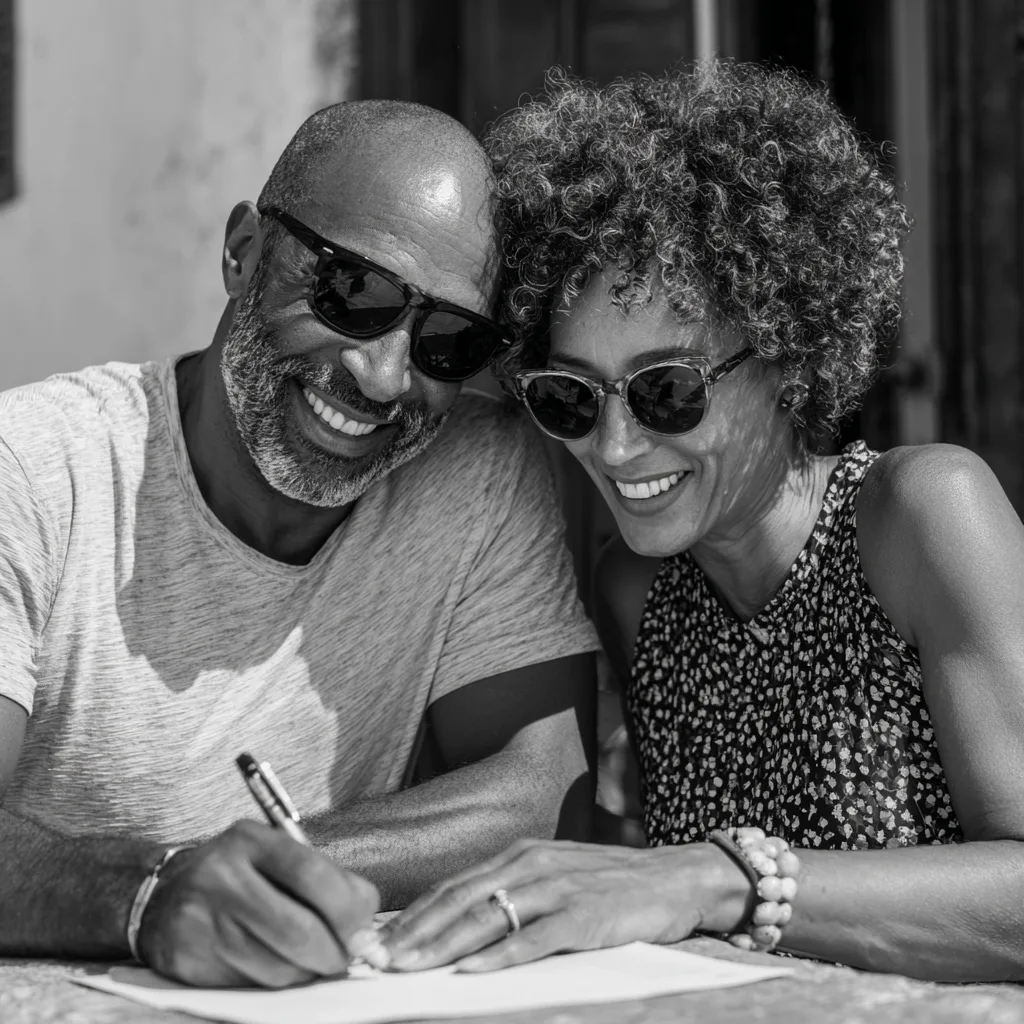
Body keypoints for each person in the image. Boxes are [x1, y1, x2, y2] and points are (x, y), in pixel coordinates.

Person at [380, 62, 1024, 983]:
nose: (614, 445)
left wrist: (719, 879)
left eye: (667, 391)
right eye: (570, 397)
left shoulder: (923, 516)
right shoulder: (637, 590)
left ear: (789, 354)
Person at [0, 100, 600, 987]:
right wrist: (143, 896)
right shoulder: (34, 468)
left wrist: (241, 874)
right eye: (354, 293)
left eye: (447, 341)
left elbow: (543, 795)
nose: (383, 377)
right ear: (243, 252)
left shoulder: (474, 471)